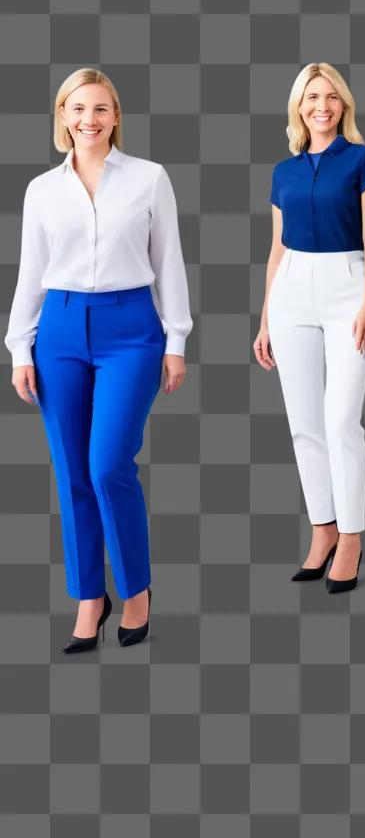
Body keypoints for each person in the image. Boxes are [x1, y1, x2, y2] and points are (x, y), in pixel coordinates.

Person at [6, 67, 191, 652]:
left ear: (117, 116)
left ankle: (135, 590)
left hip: (130, 329)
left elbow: (169, 265)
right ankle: (91, 596)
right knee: (71, 471)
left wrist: (176, 340)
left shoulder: (149, 179)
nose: (89, 120)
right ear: (63, 117)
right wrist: (18, 348)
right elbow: (30, 273)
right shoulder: (41, 189)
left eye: (101, 109)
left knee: (108, 463)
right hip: (57, 330)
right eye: (78, 109)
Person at [253, 63, 365, 592]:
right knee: (303, 423)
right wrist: (265, 318)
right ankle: (323, 529)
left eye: (331, 97)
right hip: (291, 291)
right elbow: (276, 248)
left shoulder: (362, 159)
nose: (322, 106)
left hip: (346, 287)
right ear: (299, 107)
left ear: (344, 105)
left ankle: (352, 536)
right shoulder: (283, 171)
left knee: (340, 421)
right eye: (312, 98)